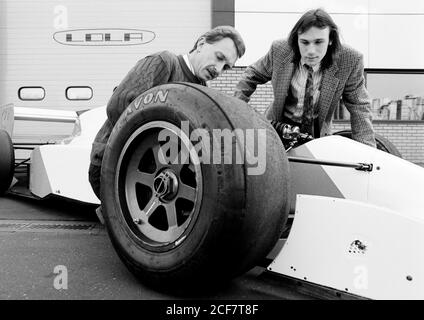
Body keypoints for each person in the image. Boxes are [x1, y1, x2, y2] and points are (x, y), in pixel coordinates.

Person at [88, 25, 246, 208]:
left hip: (162, 176)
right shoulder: (165, 62)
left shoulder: (202, 92)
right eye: (219, 57)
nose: (218, 69)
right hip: (112, 166)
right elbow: (119, 106)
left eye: (226, 67)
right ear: (201, 44)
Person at [234, 8, 376, 147]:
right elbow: (251, 75)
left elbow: (359, 106)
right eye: (305, 42)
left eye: (319, 42)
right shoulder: (279, 50)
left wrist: (369, 152)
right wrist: (236, 112)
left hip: (317, 134)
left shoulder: (350, 59)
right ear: (297, 40)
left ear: (331, 39)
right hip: (278, 128)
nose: (311, 51)